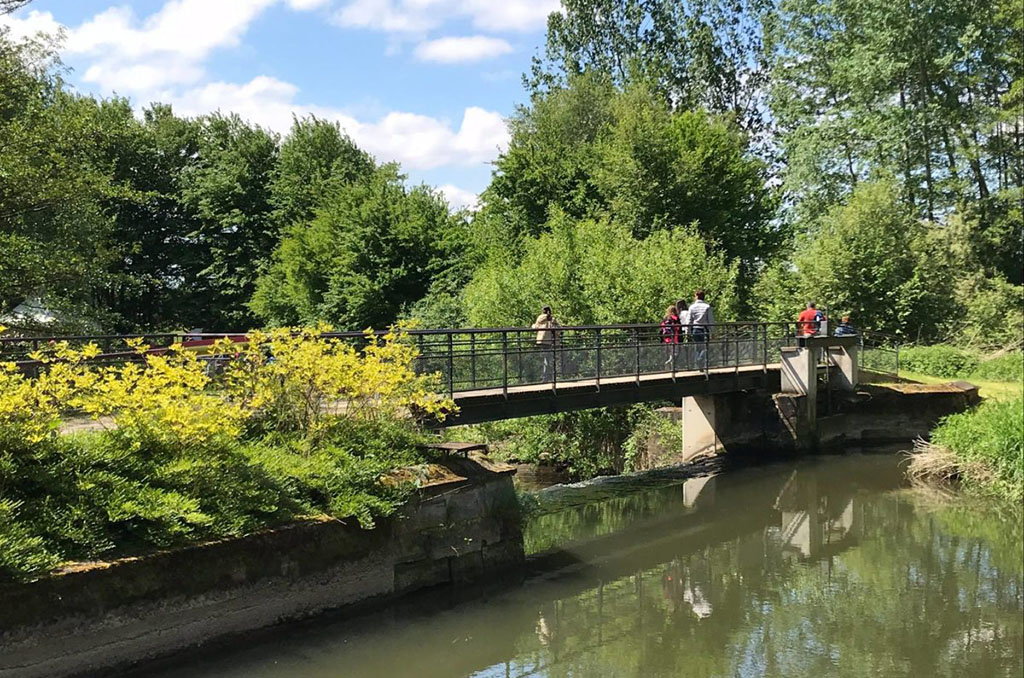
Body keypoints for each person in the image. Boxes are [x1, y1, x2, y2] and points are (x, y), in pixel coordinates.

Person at [532, 305, 560, 380]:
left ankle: (545, 376)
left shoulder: (540, 318)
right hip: (551, 341)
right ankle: (549, 376)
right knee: (549, 358)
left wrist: (533, 325)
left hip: (541, 340)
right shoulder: (552, 319)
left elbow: (535, 327)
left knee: (545, 358)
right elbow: (558, 330)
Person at [687, 290, 714, 367]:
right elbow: (710, 321)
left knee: (697, 347)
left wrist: (687, 332)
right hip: (704, 329)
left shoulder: (692, 307)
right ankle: (700, 360)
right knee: (705, 347)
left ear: (697, 296)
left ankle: (698, 365)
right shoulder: (707, 307)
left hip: (695, 329)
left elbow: (689, 321)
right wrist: (712, 332)